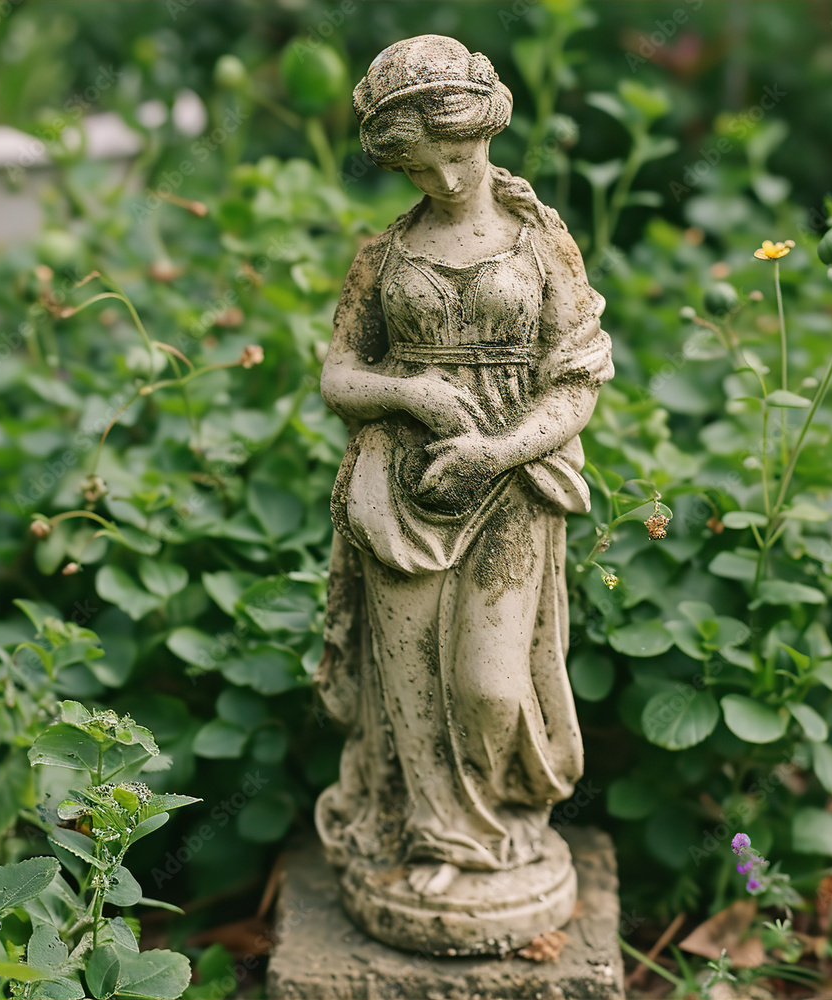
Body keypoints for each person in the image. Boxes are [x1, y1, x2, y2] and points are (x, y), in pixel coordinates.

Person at [315, 34, 613, 904]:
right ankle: (441, 838)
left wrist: (499, 450)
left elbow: (578, 381)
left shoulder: (539, 242)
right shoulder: (383, 253)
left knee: (487, 684)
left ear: (486, 131)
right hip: (401, 488)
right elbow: (340, 374)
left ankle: (502, 821)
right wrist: (411, 396)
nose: (444, 180)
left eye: (456, 155)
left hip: (513, 479)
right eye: (418, 168)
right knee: (409, 685)